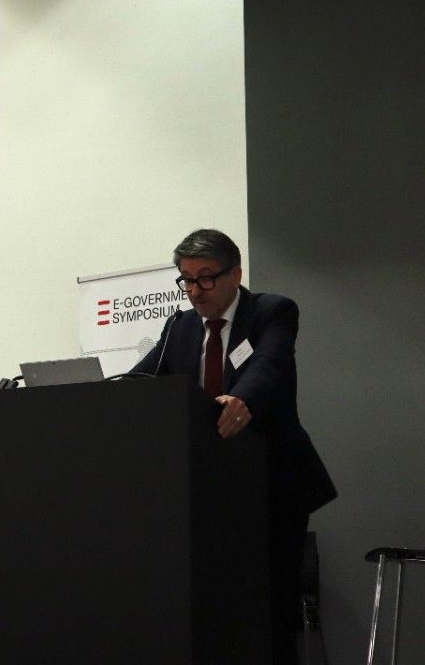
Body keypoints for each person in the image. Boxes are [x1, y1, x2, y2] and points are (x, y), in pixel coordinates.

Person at [133, 228, 336, 665]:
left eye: (205, 278)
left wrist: (242, 399)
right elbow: (140, 381)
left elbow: (268, 365)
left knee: (270, 609)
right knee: (213, 610)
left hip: (272, 485)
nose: (194, 291)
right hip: (206, 492)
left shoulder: (271, 311)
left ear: (235, 274)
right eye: (187, 279)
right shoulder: (179, 327)